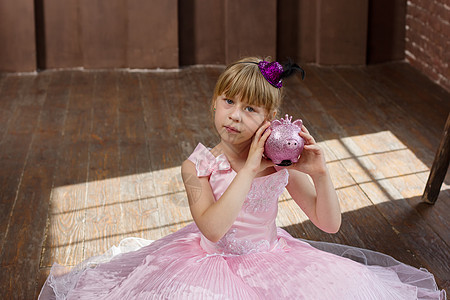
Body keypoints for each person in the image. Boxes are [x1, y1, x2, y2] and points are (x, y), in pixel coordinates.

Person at [39, 57, 445, 299]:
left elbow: (329, 224)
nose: (235, 115)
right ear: (214, 103)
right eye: (228, 102)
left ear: (269, 119)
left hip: (272, 259)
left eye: (250, 109)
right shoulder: (197, 166)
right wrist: (249, 170)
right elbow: (213, 229)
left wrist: (321, 175)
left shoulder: (280, 164)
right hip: (208, 263)